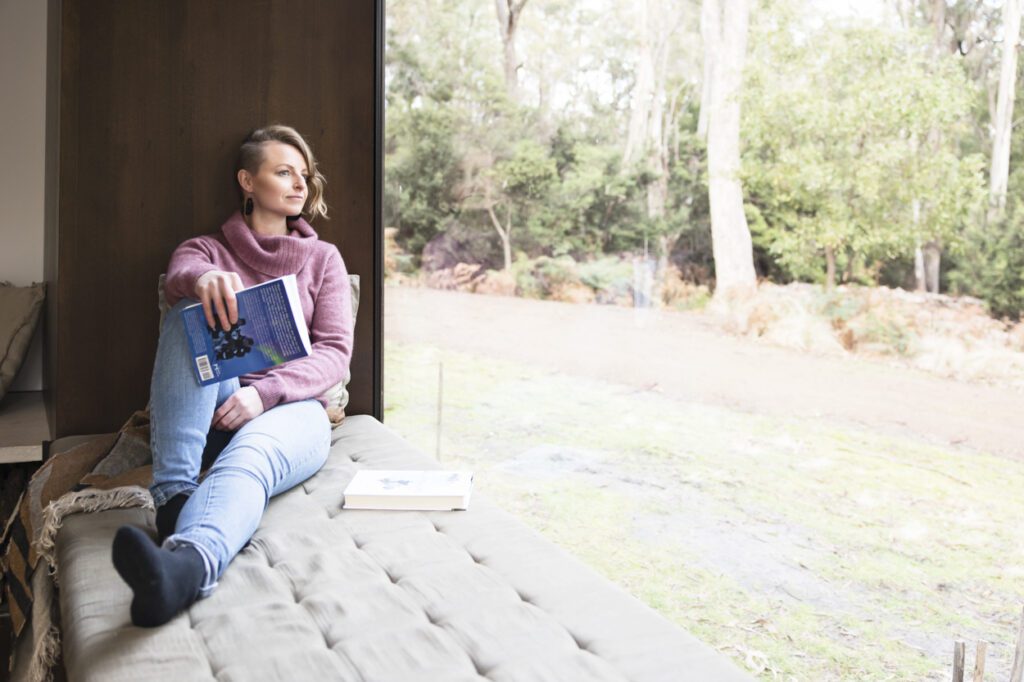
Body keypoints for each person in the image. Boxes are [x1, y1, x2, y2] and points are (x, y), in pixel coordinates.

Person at [111, 125, 354, 628]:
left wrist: (264, 395)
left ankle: (185, 565)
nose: (299, 184)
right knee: (188, 314)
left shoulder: (322, 259)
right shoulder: (207, 248)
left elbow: (334, 354)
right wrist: (202, 280)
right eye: (283, 172)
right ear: (247, 180)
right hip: (213, 404)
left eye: (304, 175)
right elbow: (183, 268)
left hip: (291, 410)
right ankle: (175, 499)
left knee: (250, 459)